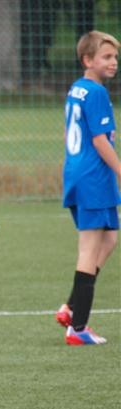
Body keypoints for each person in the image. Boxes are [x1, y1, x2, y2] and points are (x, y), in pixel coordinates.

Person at [55, 30, 119, 345]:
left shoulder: (77, 88)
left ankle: (70, 307)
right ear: (87, 60)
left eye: (115, 57)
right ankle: (78, 327)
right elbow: (99, 140)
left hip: (81, 174)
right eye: (106, 57)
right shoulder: (96, 92)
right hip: (93, 178)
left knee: (109, 238)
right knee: (90, 248)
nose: (114, 62)